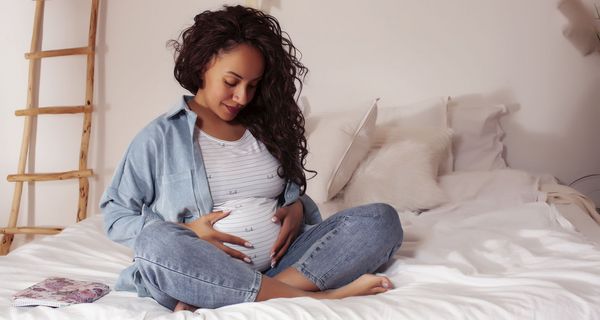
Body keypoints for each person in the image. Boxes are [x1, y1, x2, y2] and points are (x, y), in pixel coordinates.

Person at [100, 5, 403, 312]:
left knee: (380, 220)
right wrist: (188, 232)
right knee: (156, 245)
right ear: (203, 64)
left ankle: (246, 293)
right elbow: (115, 214)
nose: (242, 97)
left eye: (253, 86)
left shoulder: (265, 128)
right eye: (231, 82)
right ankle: (317, 298)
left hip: (283, 264)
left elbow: (285, 194)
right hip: (200, 269)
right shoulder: (160, 136)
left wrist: (297, 208)